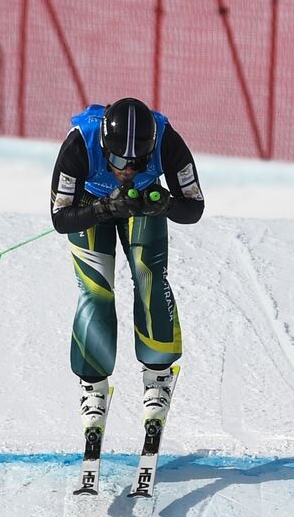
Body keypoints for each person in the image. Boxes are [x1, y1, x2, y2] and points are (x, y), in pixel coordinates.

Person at [49, 97, 205, 433]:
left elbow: (194, 208)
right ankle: (92, 386)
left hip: (144, 201)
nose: (127, 169)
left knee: (149, 275)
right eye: (119, 160)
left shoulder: (168, 141)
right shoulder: (79, 142)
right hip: (91, 202)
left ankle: (158, 375)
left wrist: (166, 204)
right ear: (104, 146)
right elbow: (60, 218)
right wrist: (104, 208)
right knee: (95, 290)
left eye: (138, 161)